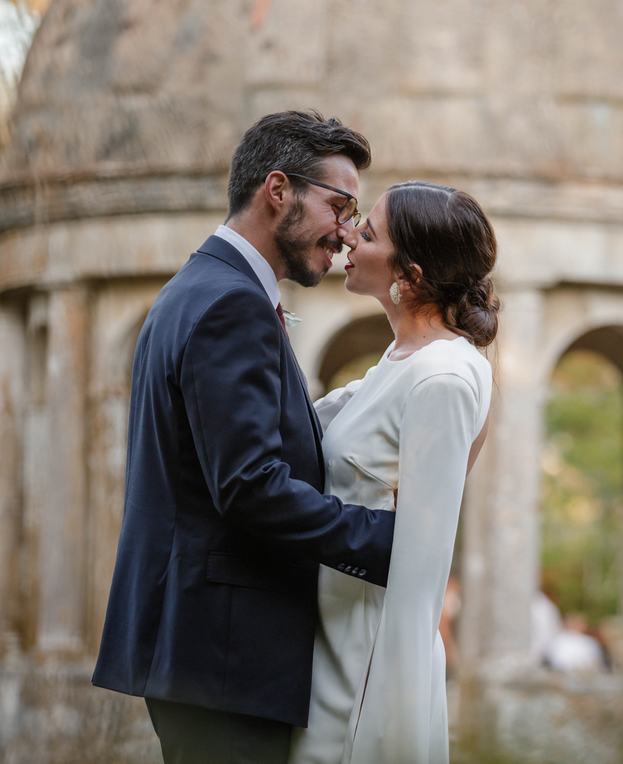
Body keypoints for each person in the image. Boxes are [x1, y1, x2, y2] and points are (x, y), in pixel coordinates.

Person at [92, 110, 397, 764]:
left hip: (205, 655)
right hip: (223, 658)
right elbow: (250, 486)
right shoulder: (229, 303)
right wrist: (387, 543)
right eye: (340, 206)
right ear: (278, 190)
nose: (347, 233)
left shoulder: (200, 289)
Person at [289, 181, 498, 764]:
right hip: (323, 653)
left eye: (369, 232)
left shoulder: (445, 378)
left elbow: (419, 574)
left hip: (365, 679)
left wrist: (392, 731)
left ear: (410, 271)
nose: (348, 234)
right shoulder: (399, 360)